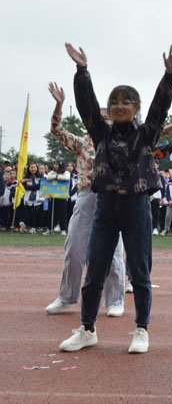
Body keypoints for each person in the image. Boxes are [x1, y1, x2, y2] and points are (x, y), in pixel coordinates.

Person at [58, 42, 172, 355]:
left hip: (137, 207)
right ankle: (87, 329)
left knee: (139, 272)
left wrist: (169, 76)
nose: (119, 106)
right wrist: (82, 71)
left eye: (127, 101)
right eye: (114, 101)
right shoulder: (101, 133)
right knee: (95, 271)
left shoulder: (146, 134)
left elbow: (160, 109)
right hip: (105, 208)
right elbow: (87, 106)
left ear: (136, 107)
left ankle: (141, 329)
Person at [43, 82, 126, 318]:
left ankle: (115, 300)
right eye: (99, 118)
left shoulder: (121, 143)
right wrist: (59, 105)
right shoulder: (83, 142)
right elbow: (57, 132)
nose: (102, 122)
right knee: (74, 248)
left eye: (106, 118)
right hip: (86, 195)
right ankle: (66, 297)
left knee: (112, 251)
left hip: (111, 198)